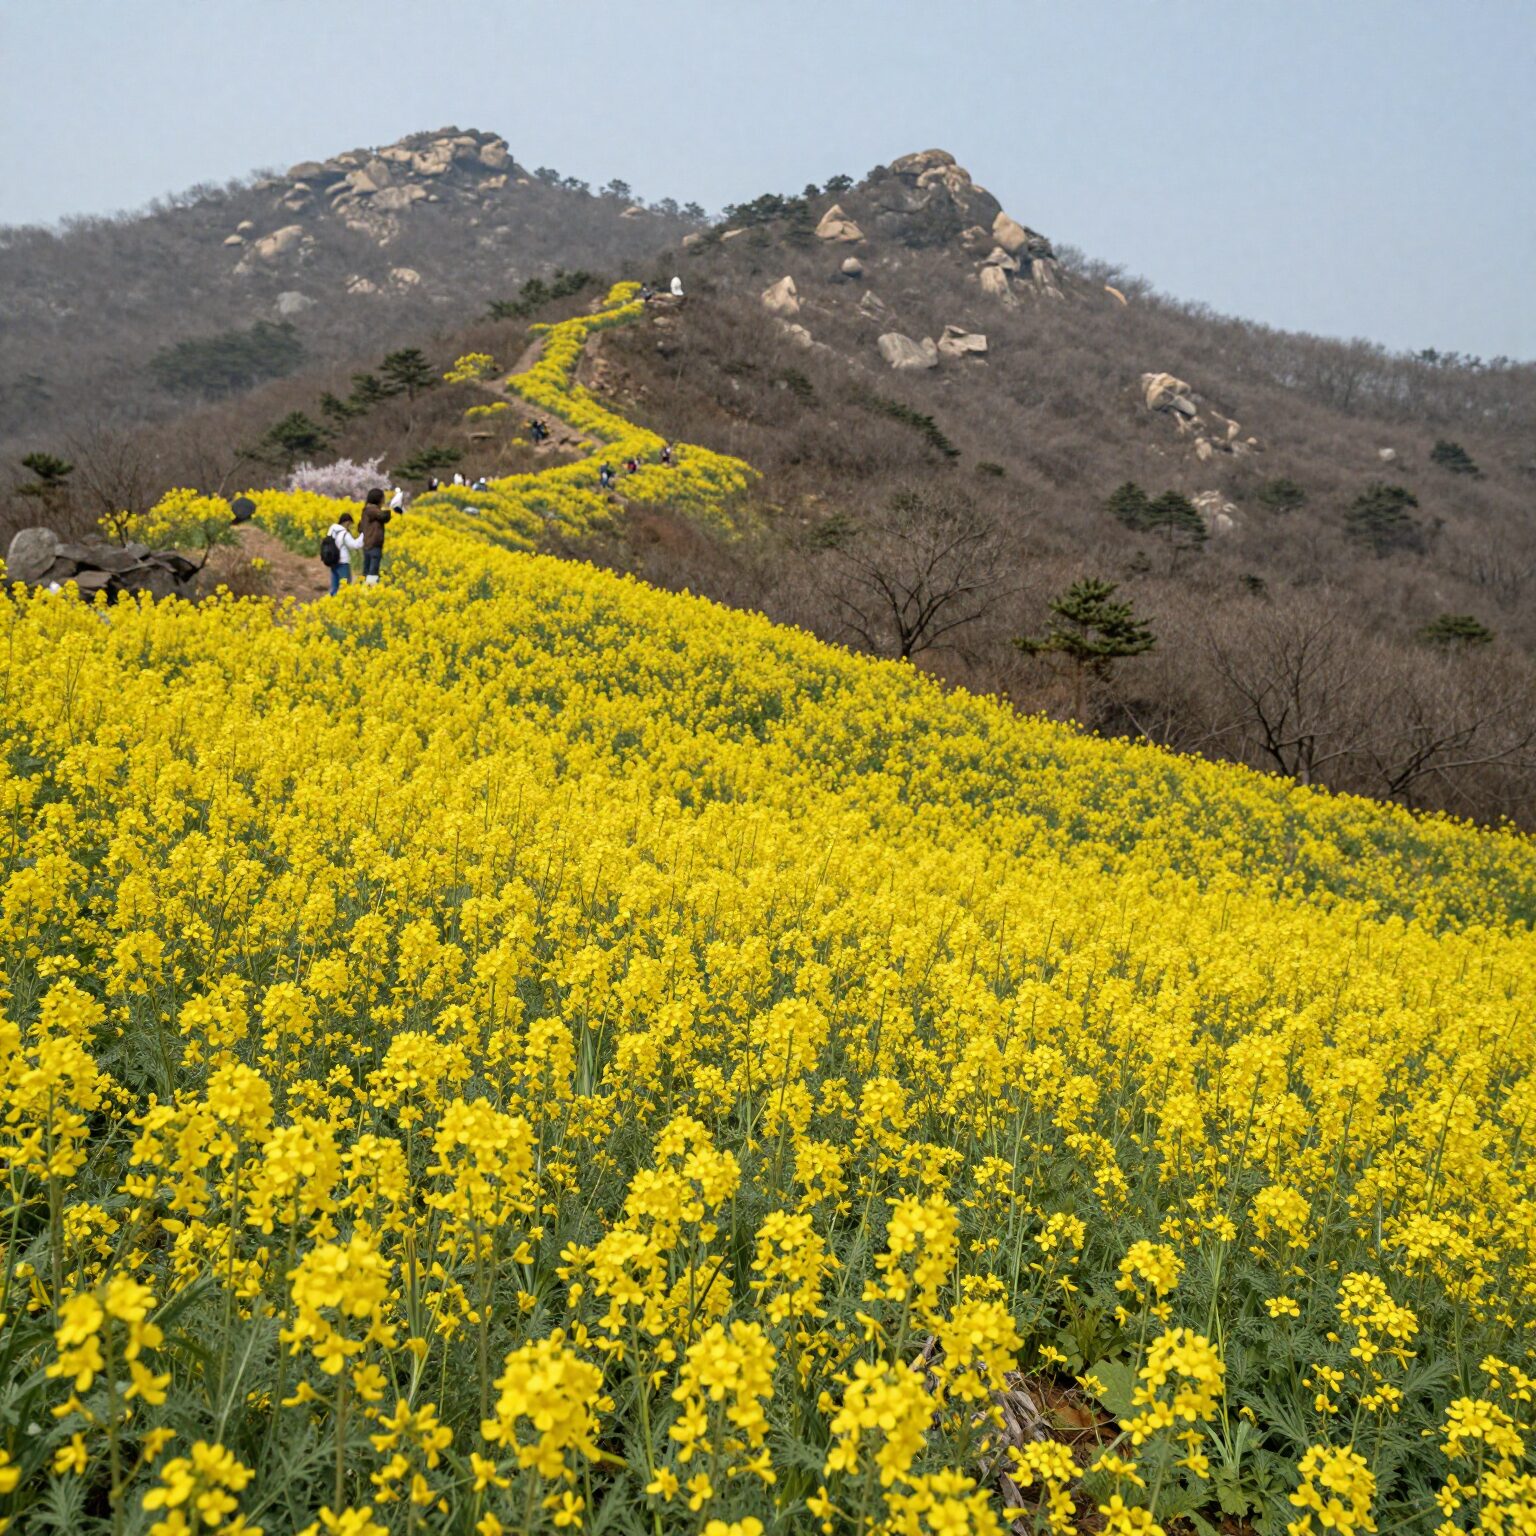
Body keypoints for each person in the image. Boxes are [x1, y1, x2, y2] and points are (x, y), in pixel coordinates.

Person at [359, 487, 394, 585]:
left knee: (366, 571)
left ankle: (361, 590)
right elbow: (384, 516)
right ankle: (369, 592)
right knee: (372, 572)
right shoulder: (373, 510)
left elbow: (360, 527)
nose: (384, 500)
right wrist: (389, 509)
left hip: (367, 545)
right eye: (383, 498)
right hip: (374, 545)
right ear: (378, 499)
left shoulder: (366, 510)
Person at [325, 512, 363, 596]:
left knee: (334, 587)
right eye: (349, 524)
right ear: (347, 522)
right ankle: (342, 606)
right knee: (345, 587)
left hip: (333, 561)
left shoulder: (332, 530)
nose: (349, 527)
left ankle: (331, 604)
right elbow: (355, 545)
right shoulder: (344, 534)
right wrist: (363, 534)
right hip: (343, 563)